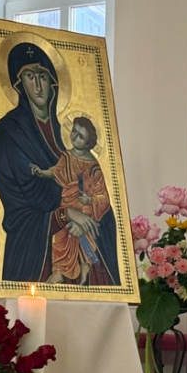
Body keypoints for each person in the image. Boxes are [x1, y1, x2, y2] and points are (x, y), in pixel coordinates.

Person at [0, 42, 101, 282]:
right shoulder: (8, 134)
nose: (38, 86)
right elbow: (27, 199)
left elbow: (92, 185)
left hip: (78, 231)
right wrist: (66, 214)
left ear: (53, 83)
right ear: (19, 84)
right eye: (30, 76)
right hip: (32, 245)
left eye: (43, 76)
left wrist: (86, 211)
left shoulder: (68, 133)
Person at [29, 115, 120, 286]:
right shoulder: (67, 156)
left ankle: (73, 268)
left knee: (77, 230)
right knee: (62, 235)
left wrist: (90, 200)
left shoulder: (94, 165)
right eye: (74, 132)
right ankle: (66, 270)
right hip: (68, 204)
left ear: (88, 143)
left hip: (85, 206)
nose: (74, 137)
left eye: (80, 137)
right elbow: (56, 171)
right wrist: (42, 172)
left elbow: (103, 196)